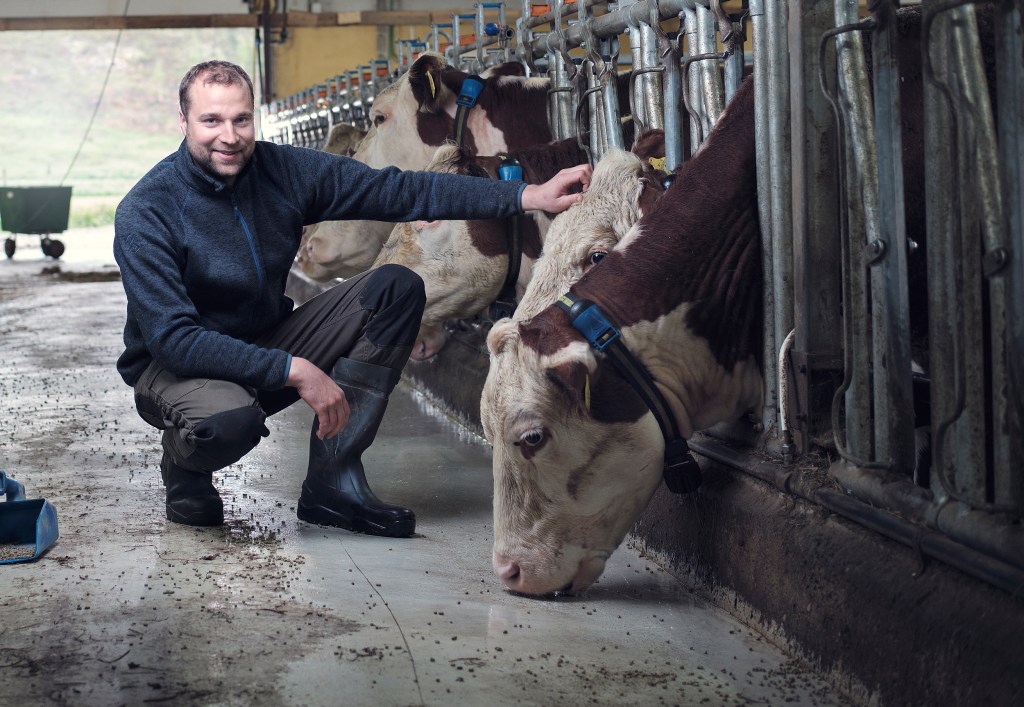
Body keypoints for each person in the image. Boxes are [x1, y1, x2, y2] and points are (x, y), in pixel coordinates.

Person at [113, 60, 590, 537]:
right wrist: (293, 370)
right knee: (227, 424)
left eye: (241, 119)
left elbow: (400, 189)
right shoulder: (147, 210)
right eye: (211, 121)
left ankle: (333, 481)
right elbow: (175, 340)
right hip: (179, 368)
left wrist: (527, 195)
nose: (230, 136)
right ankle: (185, 464)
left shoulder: (282, 171)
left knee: (395, 288)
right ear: (183, 122)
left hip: (264, 338)